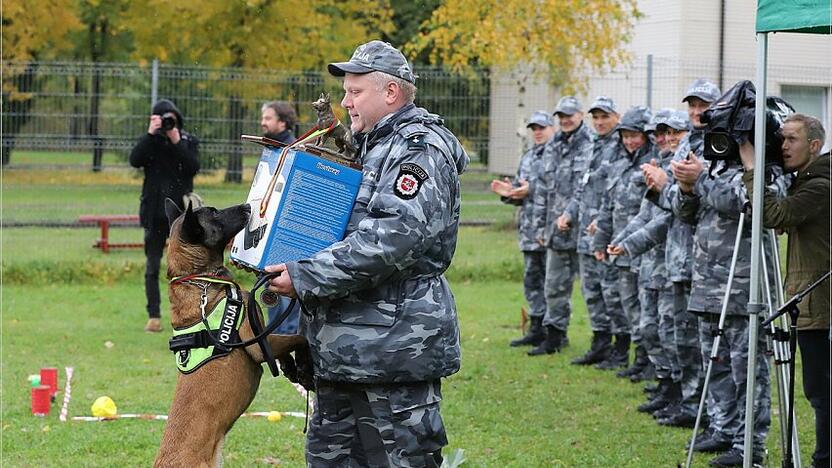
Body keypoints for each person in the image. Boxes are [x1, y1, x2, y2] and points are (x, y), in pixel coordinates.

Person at [265, 40, 468, 467]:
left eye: (355, 92)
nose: (345, 102)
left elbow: (392, 239)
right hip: (346, 352)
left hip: (392, 351)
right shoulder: (375, 145)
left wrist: (305, 276)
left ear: (390, 93)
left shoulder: (419, 149)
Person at [671, 93, 789, 466]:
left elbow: (750, 205)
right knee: (717, 362)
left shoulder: (767, 170)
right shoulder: (716, 165)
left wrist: (701, 181)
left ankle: (750, 445)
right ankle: (723, 428)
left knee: (747, 369)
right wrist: (687, 189)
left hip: (745, 286)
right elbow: (685, 213)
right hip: (707, 282)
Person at [740, 114, 830, 468]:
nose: (783, 146)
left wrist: (751, 169)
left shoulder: (819, 186)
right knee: (820, 390)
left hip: (821, 302)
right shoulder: (809, 181)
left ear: (814, 146)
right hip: (812, 299)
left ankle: (824, 460)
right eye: (782, 139)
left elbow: (773, 214)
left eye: (792, 139)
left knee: (821, 392)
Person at [558, 96, 626, 365]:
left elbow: (619, 192)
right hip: (585, 236)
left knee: (611, 292)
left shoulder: (621, 146)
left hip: (608, 234)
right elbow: (582, 189)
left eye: (604, 117)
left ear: (616, 117)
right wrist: (568, 214)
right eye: (595, 118)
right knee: (592, 291)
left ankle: (620, 347)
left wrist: (602, 220)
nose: (599, 123)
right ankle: (600, 342)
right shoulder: (591, 147)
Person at [528, 96, 593, 355]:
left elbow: (586, 187)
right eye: (561, 116)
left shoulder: (591, 144)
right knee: (553, 286)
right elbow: (543, 189)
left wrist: (570, 214)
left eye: (570, 114)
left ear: (580, 115)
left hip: (584, 230)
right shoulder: (554, 145)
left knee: (594, 290)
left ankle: (608, 343)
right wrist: (541, 228)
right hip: (556, 230)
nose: (565, 120)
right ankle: (555, 336)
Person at [129, 99, 200, 332]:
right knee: (152, 265)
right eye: (163, 119)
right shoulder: (151, 143)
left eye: (172, 119)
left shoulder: (186, 141)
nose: (168, 124)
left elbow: (193, 167)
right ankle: (154, 315)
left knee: (187, 266)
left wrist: (176, 140)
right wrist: (151, 135)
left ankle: (189, 312)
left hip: (180, 214)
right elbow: (135, 160)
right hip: (154, 213)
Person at [592, 106, 654, 370]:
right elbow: (608, 205)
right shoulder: (618, 163)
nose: (629, 141)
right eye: (625, 136)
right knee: (627, 303)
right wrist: (600, 241)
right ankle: (636, 358)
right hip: (619, 246)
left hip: (644, 248)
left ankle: (648, 359)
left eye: (635, 135)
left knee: (645, 308)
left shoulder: (653, 163)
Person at [493, 111, 555, 347]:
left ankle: (554, 331)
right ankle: (537, 328)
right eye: (534, 128)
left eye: (542, 127)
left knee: (552, 283)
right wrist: (510, 193)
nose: (538, 132)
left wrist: (532, 190)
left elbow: (561, 191)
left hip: (550, 231)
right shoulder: (528, 157)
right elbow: (522, 191)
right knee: (532, 280)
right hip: (529, 231)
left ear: (552, 128)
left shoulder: (557, 155)